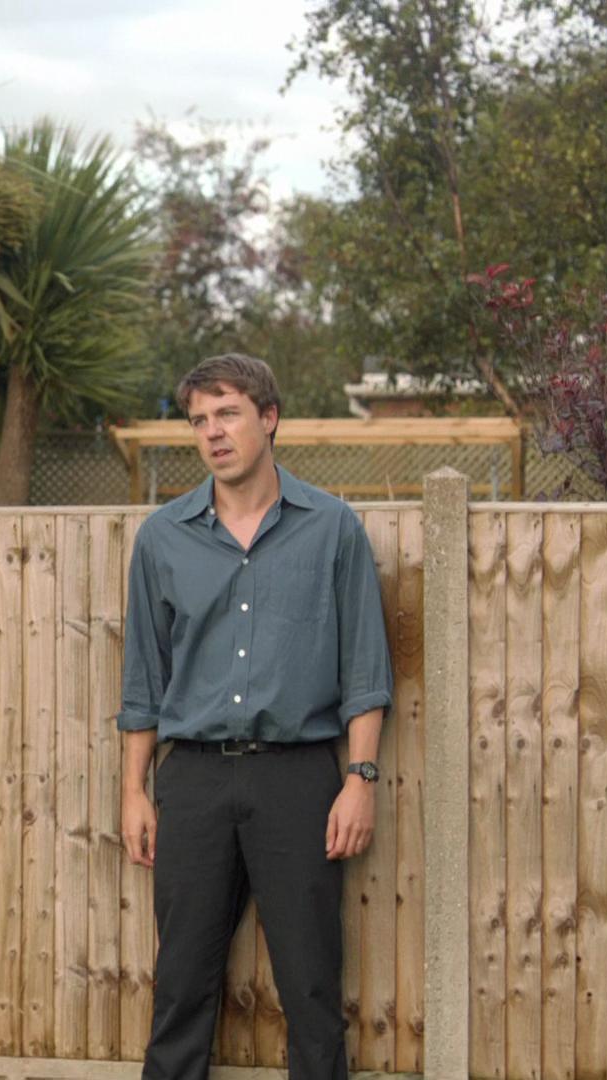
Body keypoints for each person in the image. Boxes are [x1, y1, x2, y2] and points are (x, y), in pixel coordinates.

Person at [118, 354, 392, 1080]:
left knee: (309, 984)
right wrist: (134, 790)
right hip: (194, 784)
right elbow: (144, 679)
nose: (213, 433)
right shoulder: (162, 539)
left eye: (228, 413)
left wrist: (359, 778)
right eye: (200, 420)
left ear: (269, 419)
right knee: (180, 984)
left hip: (298, 780)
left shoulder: (332, 529)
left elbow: (365, 671)